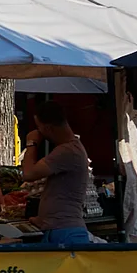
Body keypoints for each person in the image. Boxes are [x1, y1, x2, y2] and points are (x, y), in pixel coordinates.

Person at [22, 101, 92, 245]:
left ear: (48, 128)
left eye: (39, 127)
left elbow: (28, 174)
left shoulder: (67, 151)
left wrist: (31, 143)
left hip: (66, 231)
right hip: (58, 228)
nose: (38, 132)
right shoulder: (69, 149)